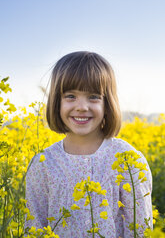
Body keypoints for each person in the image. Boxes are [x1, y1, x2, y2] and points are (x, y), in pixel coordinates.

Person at [25, 51, 153, 237]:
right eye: (70, 96)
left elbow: (141, 231)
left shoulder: (130, 161)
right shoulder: (42, 164)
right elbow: (34, 228)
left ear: (107, 103)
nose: (82, 107)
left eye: (93, 96)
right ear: (56, 102)